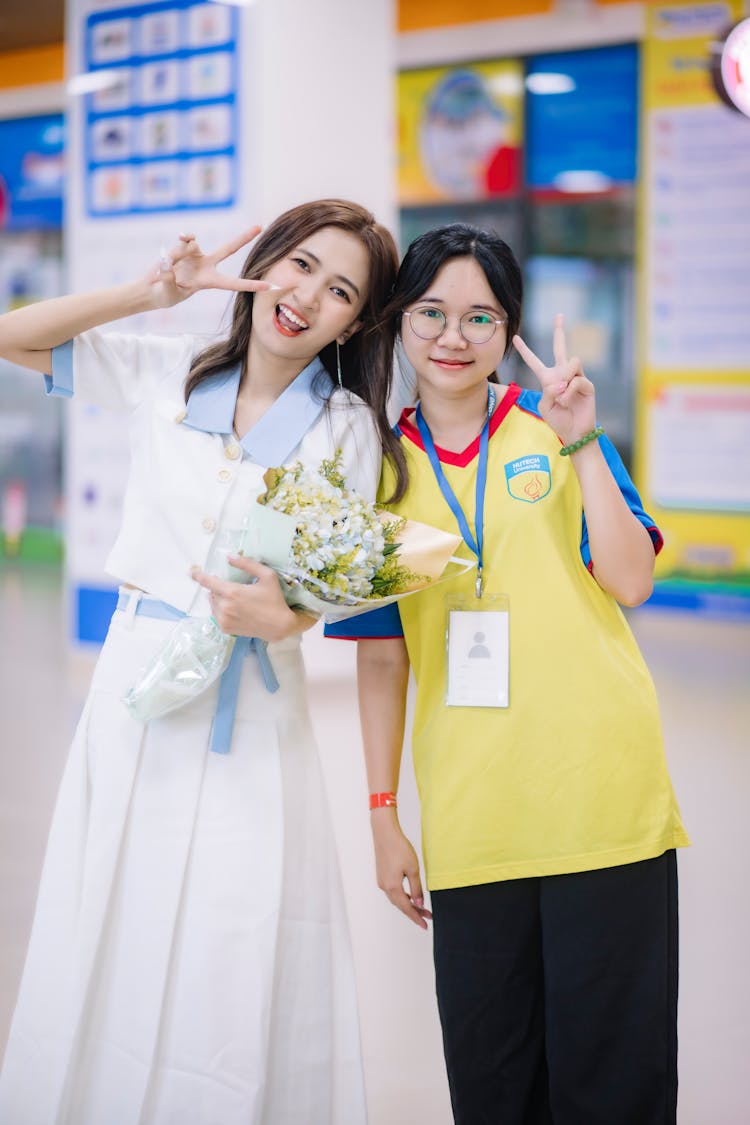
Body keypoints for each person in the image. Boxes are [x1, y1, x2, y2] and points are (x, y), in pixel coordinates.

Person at [0, 198, 402, 1124]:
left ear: (357, 321)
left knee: (239, 928)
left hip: (255, 706)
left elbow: (330, 588)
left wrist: (288, 616)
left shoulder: (346, 428)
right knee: (115, 913)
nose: (307, 296)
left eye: (340, 290)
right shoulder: (166, 371)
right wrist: (149, 292)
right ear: (263, 262)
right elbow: (13, 336)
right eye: (299, 264)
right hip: (137, 691)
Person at [328, 223, 689, 1124]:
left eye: (480, 317)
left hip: (603, 803)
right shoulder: (376, 466)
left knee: (616, 1082)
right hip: (474, 816)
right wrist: (383, 817)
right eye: (432, 313)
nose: (454, 337)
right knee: (494, 1084)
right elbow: (383, 655)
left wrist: (580, 441)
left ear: (509, 327)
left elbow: (630, 578)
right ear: (398, 323)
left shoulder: (555, 430)